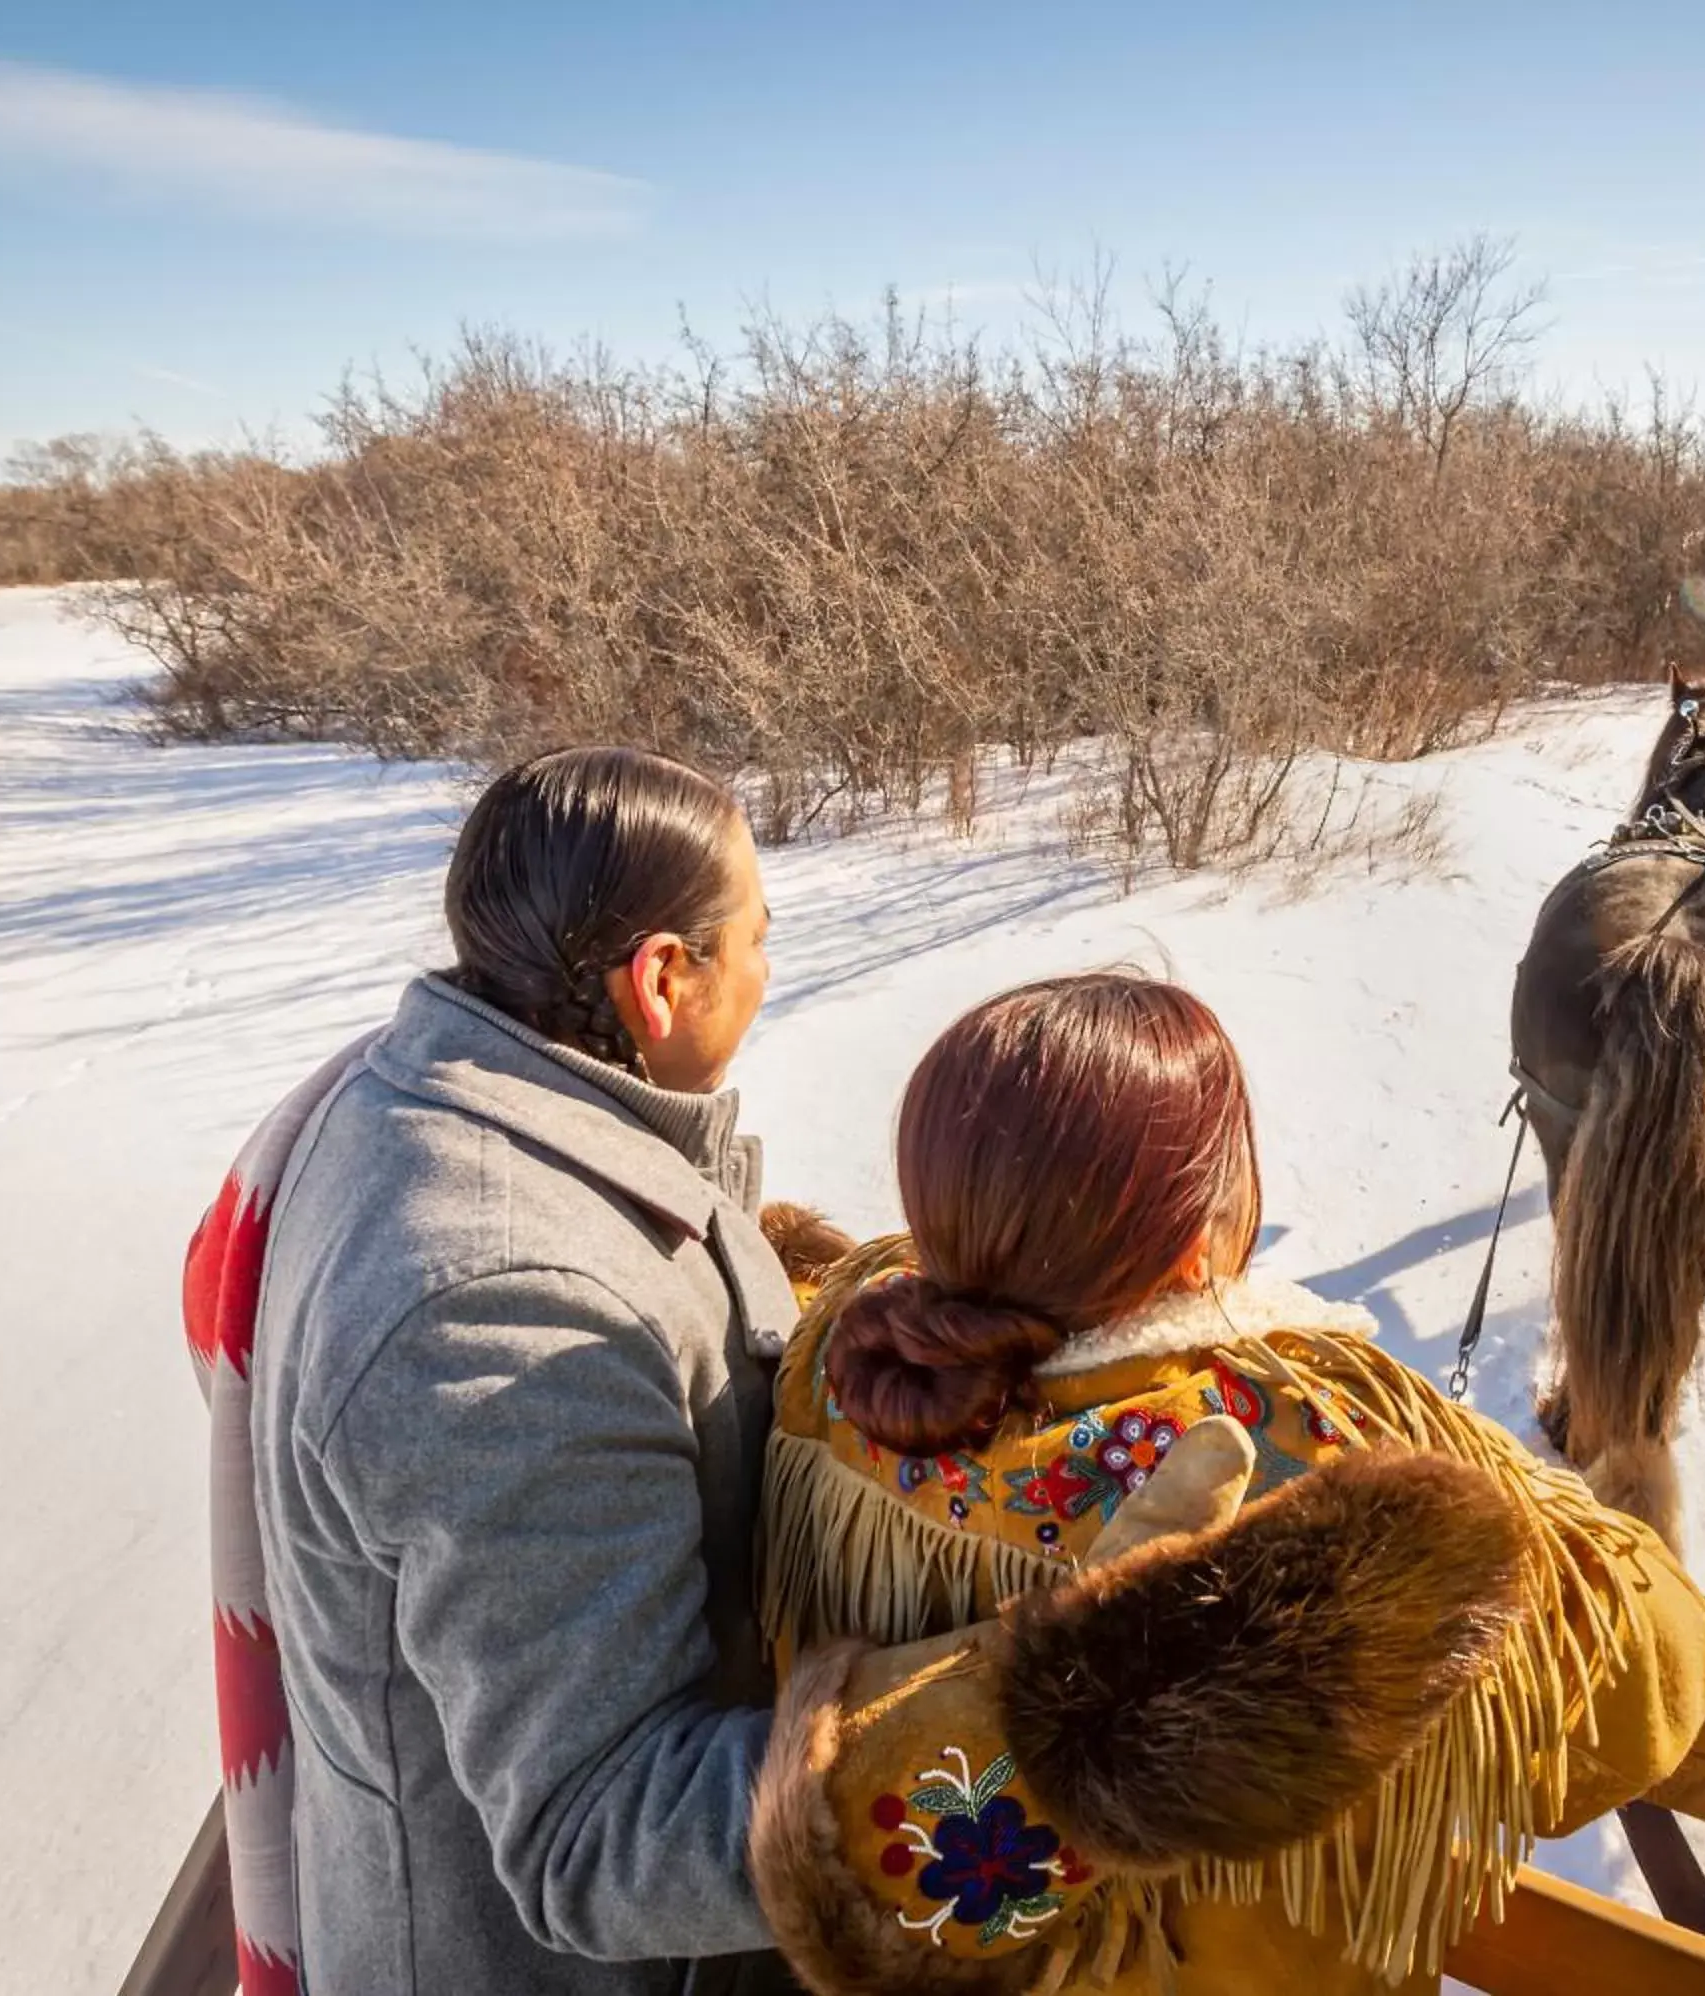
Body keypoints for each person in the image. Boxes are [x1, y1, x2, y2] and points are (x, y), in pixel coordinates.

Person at [215, 748, 1522, 1996]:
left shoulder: (456, 1104)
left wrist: (769, 1299)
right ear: (662, 980)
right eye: (763, 935)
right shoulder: (504, 1312)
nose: (773, 968)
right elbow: (600, 1839)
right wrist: (1082, 1728)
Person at [752, 971, 1705, 1995]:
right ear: (1194, 1243)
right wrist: (1537, 1499)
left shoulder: (837, 1372)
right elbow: (1652, 1677)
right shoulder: (1303, 1440)